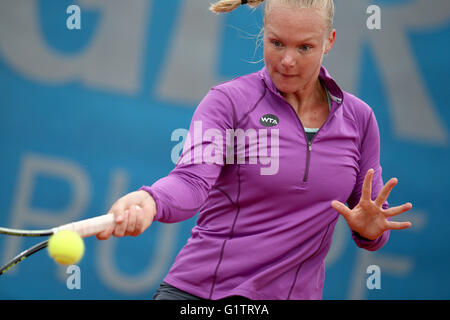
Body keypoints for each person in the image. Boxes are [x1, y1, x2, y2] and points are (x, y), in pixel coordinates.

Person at [96, 0, 413, 300]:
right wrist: (151, 200)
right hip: (203, 295)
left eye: (304, 47)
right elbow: (191, 181)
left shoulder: (360, 120)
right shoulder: (228, 102)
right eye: (277, 43)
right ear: (263, 31)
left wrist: (371, 231)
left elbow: (369, 215)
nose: (288, 60)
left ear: (328, 41)